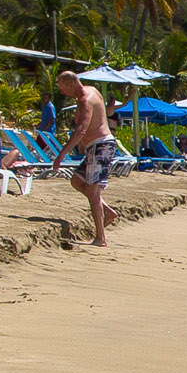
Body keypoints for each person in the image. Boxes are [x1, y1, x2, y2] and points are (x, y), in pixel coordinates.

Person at [61, 68, 119, 245]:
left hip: (100, 146)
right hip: (98, 146)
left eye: (63, 88)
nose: (63, 92)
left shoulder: (85, 101)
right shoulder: (93, 90)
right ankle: (108, 211)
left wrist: (61, 154)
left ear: (71, 84)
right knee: (77, 181)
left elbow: (81, 130)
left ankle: (100, 238)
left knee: (93, 193)